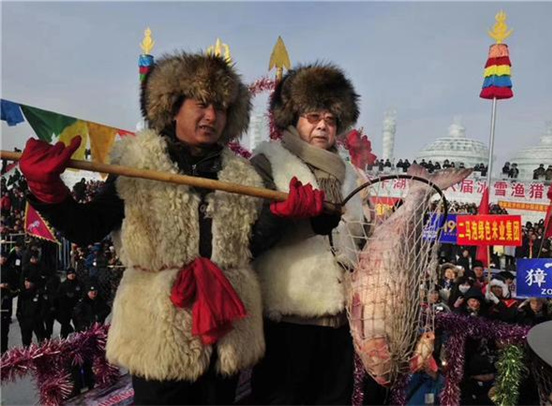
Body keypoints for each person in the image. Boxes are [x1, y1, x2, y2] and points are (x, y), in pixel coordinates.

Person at [19, 52, 318, 405]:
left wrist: (280, 216)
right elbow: (87, 227)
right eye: (202, 103)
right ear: (174, 106)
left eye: (221, 108)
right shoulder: (136, 163)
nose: (211, 116)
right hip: (160, 330)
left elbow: (249, 244)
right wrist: (50, 192)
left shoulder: (242, 175)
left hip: (225, 329)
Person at [250, 63, 365, 404]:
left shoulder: (349, 174)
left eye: (330, 120)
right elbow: (246, 239)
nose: (322, 126)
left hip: (340, 324)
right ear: (293, 118)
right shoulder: (268, 163)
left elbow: (358, 238)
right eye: (313, 116)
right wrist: (283, 218)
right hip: (287, 321)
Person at [16, 276, 46, 347]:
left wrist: (40, 317)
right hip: (25, 320)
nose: (26, 284)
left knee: (42, 340)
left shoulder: (39, 293)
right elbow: (19, 308)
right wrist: (20, 319)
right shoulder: (22, 294)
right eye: (25, 282)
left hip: (36, 320)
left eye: (28, 282)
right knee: (26, 342)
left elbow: (43, 307)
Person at [56, 268, 83, 338]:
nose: (71, 275)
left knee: (79, 325)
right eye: (70, 274)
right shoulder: (63, 285)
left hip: (77, 307)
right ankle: (63, 340)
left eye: (73, 273)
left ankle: (80, 339)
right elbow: (58, 297)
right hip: (66, 308)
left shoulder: (79, 284)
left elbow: (83, 294)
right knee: (65, 325)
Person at [1, 252, 18, 353]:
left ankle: (3, 351)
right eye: (1, 257)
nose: (3, 259)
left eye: (4, 257)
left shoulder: (10, 269)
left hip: (6, 301)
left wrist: (9, 288)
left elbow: (16, 286)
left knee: (4, 330)